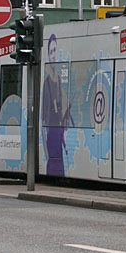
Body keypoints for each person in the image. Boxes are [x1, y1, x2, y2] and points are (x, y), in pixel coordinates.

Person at [42, 34, 72, 175]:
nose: (53, 55)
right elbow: (44, 114)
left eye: (55, 51)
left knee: (59, 164)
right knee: (55, 163)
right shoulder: (47, 82)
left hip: (59, 130)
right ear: (48, 55)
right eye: (51, 52)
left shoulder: (59, 80)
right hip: (52, 130)